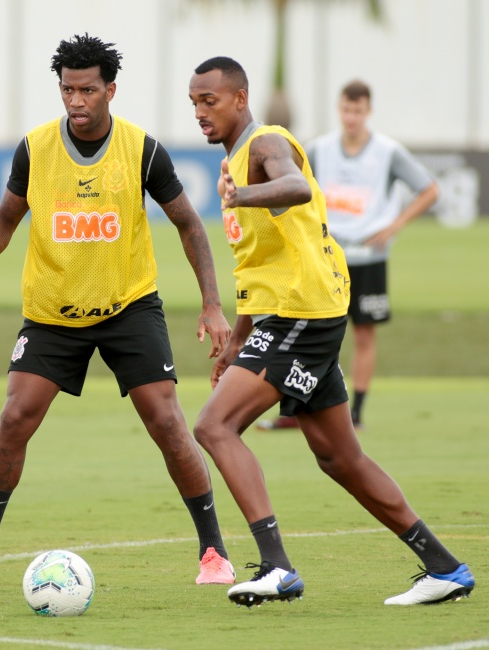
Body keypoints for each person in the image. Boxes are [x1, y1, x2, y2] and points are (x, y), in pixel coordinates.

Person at [0, 34, 235, 588]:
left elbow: (190, 224)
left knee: (167, 421)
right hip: (53, 311)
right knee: (14, 418)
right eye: (68, 89)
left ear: (110, 90)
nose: (76, 100)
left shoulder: (142, 149)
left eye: (88, 89)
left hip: (128, 305)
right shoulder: (36, 147)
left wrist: (213, 304)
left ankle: (214, 552)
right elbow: (6, 215)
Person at [187, 56, 474, 606]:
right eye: (194, 102)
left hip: (305, 311)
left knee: (215, 426)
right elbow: (256, 263)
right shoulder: (232, 165)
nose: (201, 112)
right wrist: (241, 335)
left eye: (210, 101)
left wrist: (243, 194)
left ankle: (276, 567)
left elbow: (293, 186)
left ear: (241, 99)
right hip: (293, 311)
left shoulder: (266, 143)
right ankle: (445, 568)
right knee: (340, 457)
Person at [258, 80, 439, 432]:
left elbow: (430, 189)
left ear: (367, 111)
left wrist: (394, 226)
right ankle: (297, 411)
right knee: (314, 332)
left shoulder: (387, 151)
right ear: (339, 109)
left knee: (363, 335)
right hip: (326, 257)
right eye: (345, 109)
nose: (351, 117)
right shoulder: (319, 149)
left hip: (369, 258)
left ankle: (355, 414)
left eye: (357, 110)